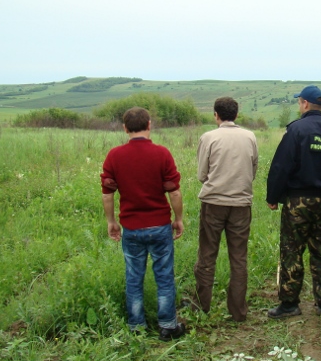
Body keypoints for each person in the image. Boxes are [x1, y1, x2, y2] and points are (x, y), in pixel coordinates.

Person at [100, 107, 186, 341]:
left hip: (132, 228)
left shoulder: (114, 156)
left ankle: (136, 328)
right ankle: (168, 326)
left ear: (125, 128)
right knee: (164, 276)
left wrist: (111, 221)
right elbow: (174, 193)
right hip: (159, 225)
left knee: (134, 277)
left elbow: (107, 194)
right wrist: (178, 219)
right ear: (150, 125)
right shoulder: (162, 154)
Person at [266, 85, 321, 318]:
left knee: (292, 250)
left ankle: (289, 304)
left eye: (299, 102)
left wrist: (273, 197)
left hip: (298, 202)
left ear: (304, 104)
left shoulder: (296, 130)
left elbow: (281, 167)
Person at [193, 97, 258, 321]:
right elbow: (253, 169)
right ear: (236, 115)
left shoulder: (209, 137)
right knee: (239, 258)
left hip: (213, 204)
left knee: (207, 255)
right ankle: (238, 312)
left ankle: (202, 308)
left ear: (216, 115)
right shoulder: (250, 137)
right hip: (241, 204)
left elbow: (202, 175)